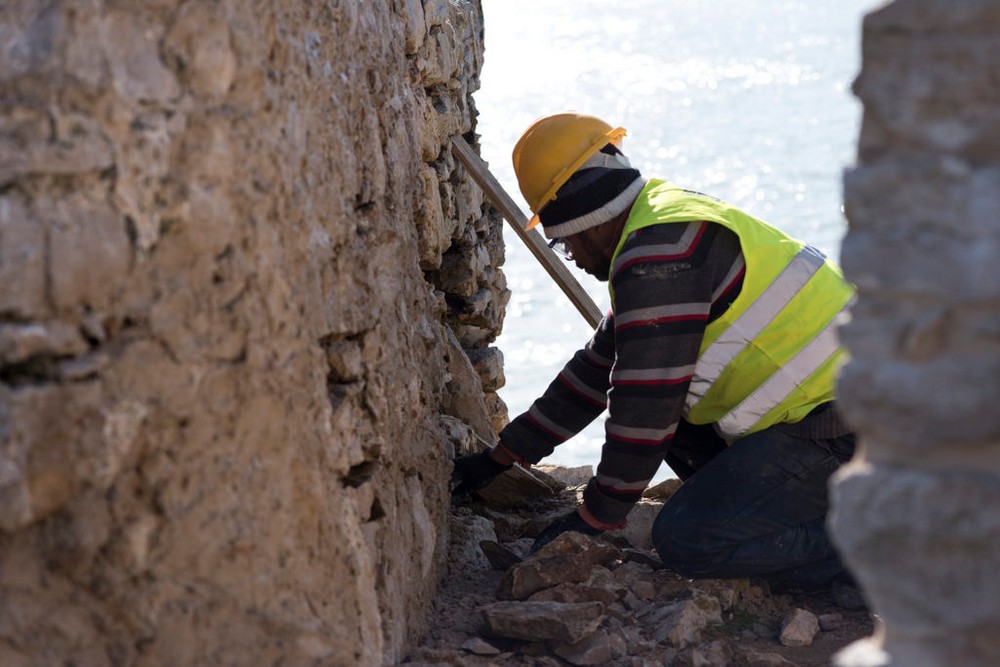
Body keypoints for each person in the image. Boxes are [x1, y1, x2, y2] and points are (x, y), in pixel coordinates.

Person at [451, 112, 858, 593]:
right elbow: (595, 371)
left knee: (688, 540)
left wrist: (595, 519)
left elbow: (644, 407)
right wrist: (498, 459)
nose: (574, 259)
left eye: (565, 243)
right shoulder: (660, 221)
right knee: (679, 425)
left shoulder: (657, 259)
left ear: (588, 222)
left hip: (844, 429)